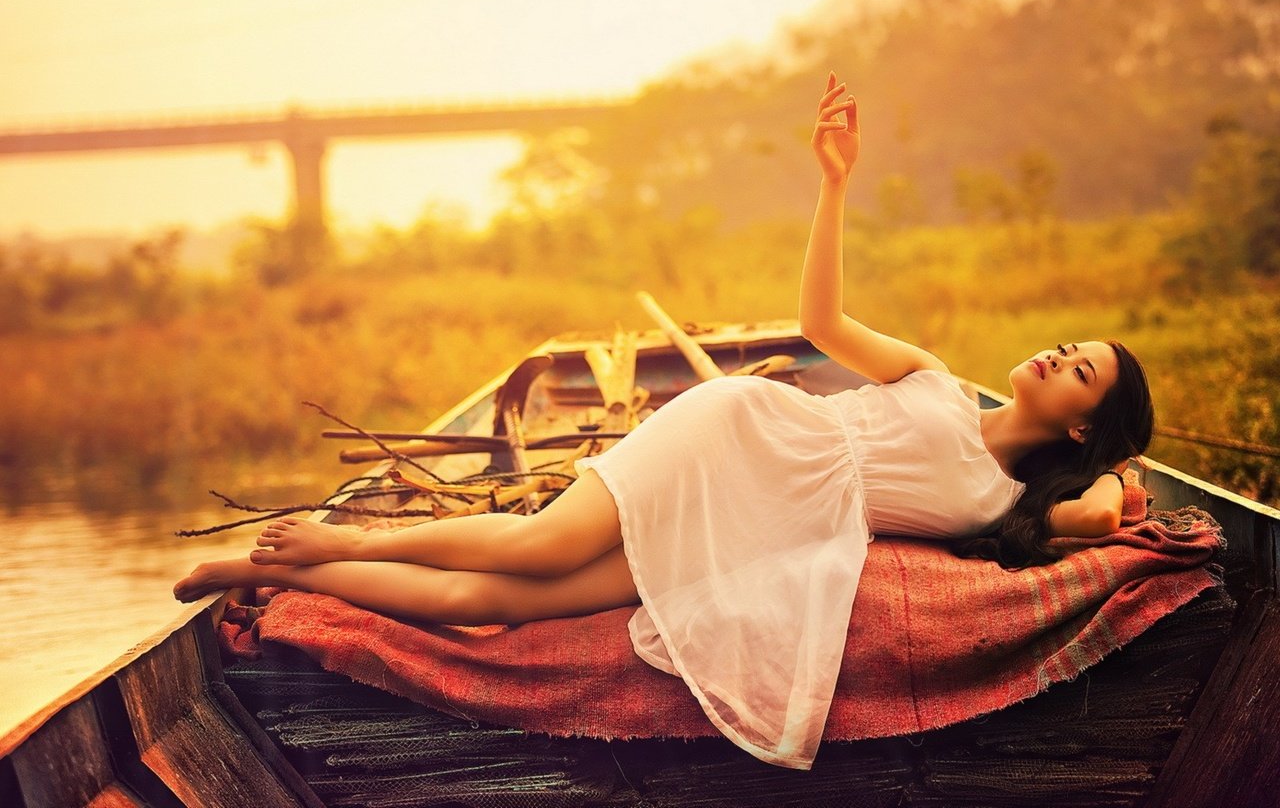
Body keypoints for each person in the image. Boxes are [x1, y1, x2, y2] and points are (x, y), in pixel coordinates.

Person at [174, 74, 1154, 769]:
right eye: (1066, 345)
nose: (1053, 357)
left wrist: (1118, 476)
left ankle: (271, 572)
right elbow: (818, 326)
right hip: (736, 438)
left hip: (761, 530)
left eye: (1079, 373)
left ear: (1082, 429)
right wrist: (833, 183)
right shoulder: (936, 382)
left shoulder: (1005, 504)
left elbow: (1108, 515)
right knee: (535, 544)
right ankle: (330, 540)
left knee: (509, 603)